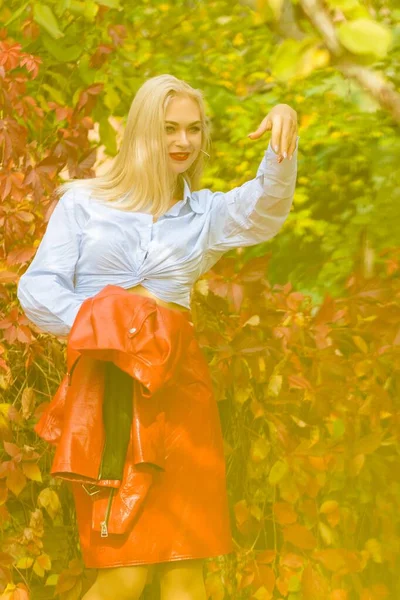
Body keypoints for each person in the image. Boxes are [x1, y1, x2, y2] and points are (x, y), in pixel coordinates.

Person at [17, 74, 299, 600]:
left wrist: (284, 130)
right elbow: (37, 290)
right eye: (169, 128)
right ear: (143, 131)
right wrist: (114, 322)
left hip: (179, 393)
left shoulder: (206, 214)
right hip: (109, 393)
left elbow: (265, 208)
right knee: (123, 574)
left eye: (194, 129)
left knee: (184, 573)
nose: (183, 142)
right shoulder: (83, 204)